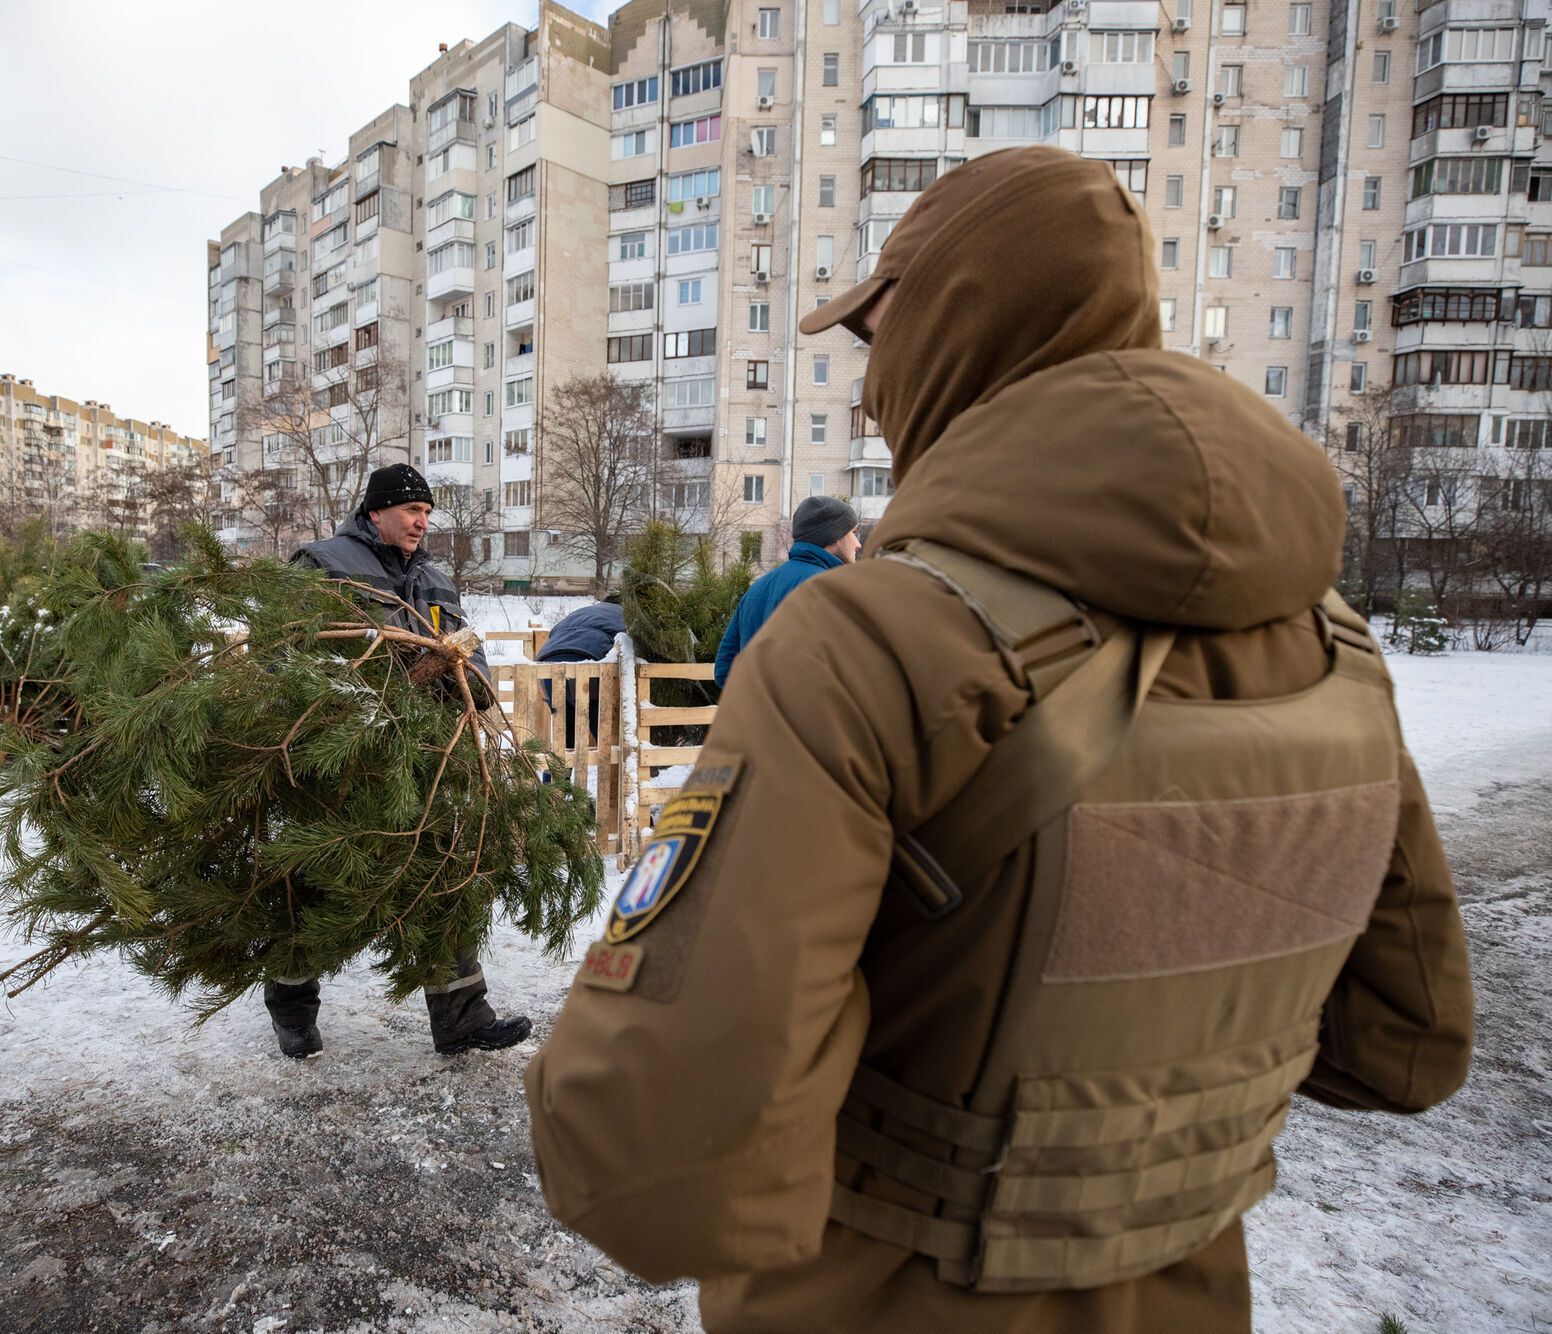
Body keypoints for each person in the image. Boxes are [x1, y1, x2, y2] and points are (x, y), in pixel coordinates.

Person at [524, 146, 1473, 1332]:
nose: (868, 397)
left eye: (879, 342)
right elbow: (1404, 1043)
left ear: (955, 333)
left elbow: (648, 1152)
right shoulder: (1337, 650)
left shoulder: (870, 644)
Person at [274, 462, 532, 1060]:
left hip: (424, 755)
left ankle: (462, 1016)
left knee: (440, 875)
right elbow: (287, 654)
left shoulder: (437, 580)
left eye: (426, 512)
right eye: (411, 510)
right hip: (344, 759)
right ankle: (291, 1010)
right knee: (317, 883)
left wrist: (472, 683)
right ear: (375, 513)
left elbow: (469, 650)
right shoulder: (323, 566)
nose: (421, 521)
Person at [712, 496, 860, 690]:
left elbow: (723, 670)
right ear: (834, 536)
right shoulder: (829, 590)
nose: (858, 543)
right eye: (853, 532)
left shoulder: (758, 588)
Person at [535, 593, 624, 750]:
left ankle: (559, 774)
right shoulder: (625, 616)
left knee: (564, 734)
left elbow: (554, 632)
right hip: (588, 664)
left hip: (548, 664)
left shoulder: (583, 611)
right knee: (603, 731)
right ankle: (607, 767)